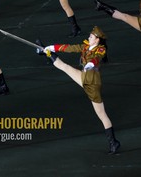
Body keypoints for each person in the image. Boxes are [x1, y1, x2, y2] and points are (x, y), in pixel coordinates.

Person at [38, 26, 121, 154]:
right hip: (84, 78)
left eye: (91, 37)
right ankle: (46, 52)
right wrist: (52, 47)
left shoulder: (100, 49)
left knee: (102, 114)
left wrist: (91, 63)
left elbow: (97, 57)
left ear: (97, 40)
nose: (89, 37)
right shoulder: (85, 47)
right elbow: (69, 48)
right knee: (64, 66)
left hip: (92, 83)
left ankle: (113, 143)